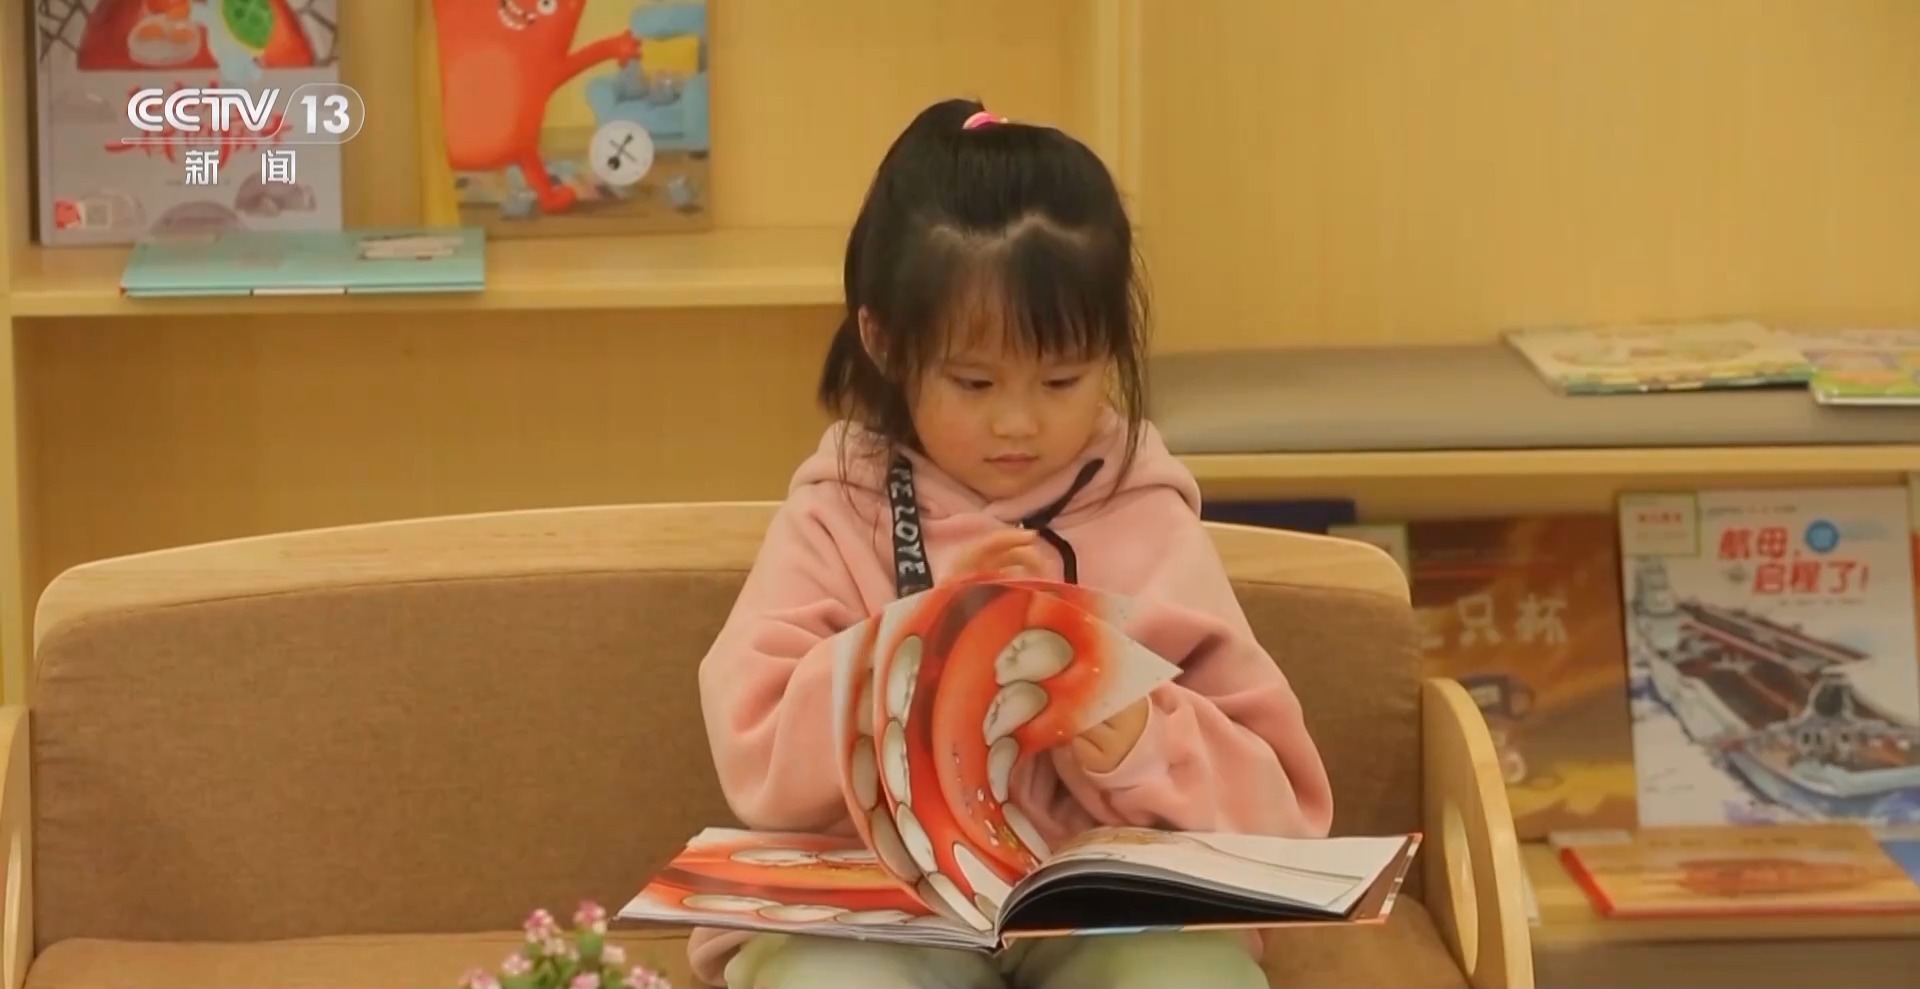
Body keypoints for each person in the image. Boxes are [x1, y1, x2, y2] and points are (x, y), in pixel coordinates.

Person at [691, 98, 1334, 989]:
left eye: (1062, 379)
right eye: (975, 382)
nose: (1019, 422)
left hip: (1102, 909)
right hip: (884, 907)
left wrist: (1142, 736)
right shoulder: (841, 509)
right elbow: (755, 747)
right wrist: (916, 646)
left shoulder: (1145, 514)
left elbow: (1285, 811)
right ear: (884, 342)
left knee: (1189, 977)